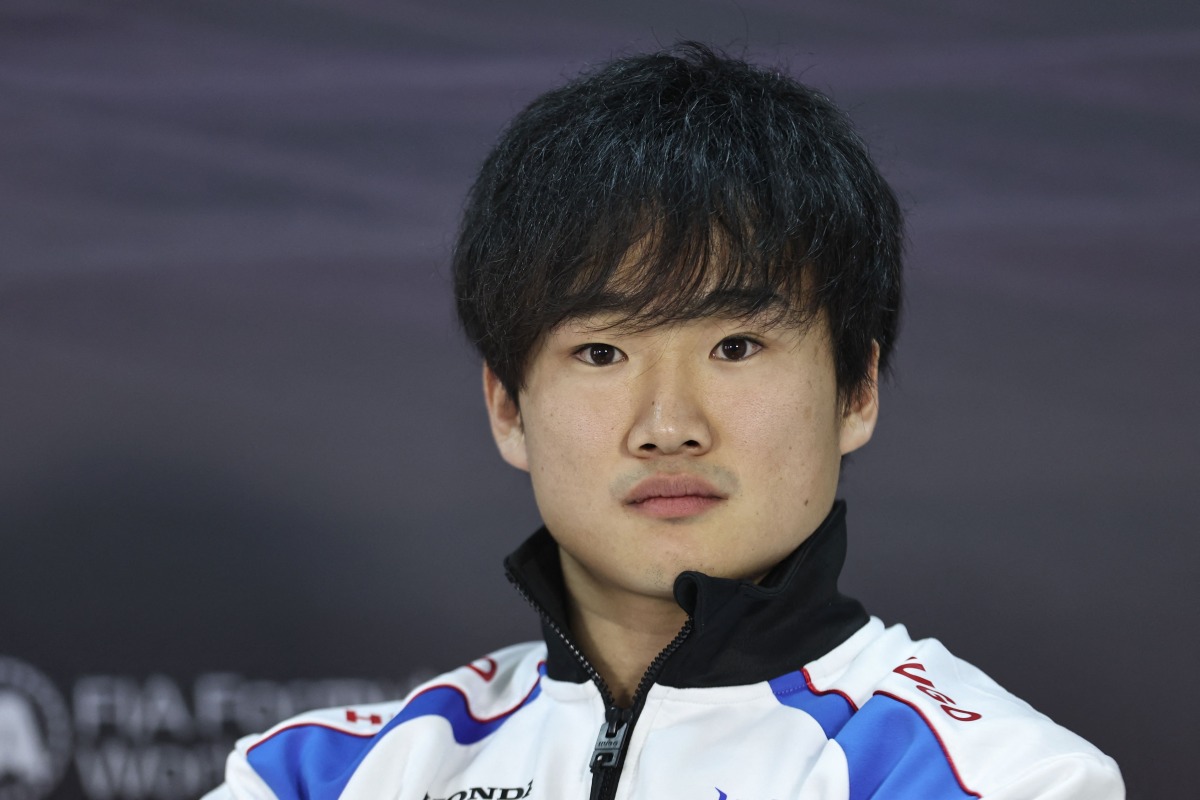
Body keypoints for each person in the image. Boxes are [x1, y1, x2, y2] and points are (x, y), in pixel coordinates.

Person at [206, 43, 1123, 800]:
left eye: (736, 346)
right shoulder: (316, 778)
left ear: (857, 391)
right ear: (507, 407)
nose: (668, 426)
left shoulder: (1002, 778)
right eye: (602, 353)